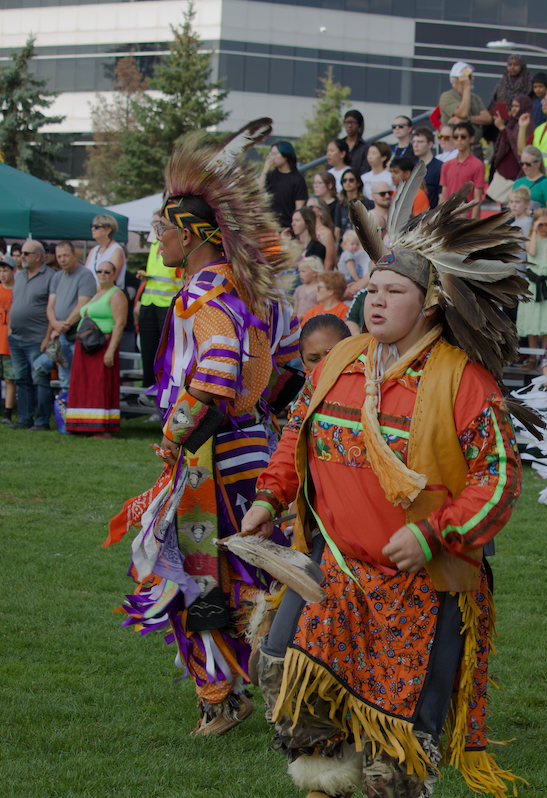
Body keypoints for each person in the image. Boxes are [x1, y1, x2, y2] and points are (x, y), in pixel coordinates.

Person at [244, 180, 527, 798]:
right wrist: (269, 497)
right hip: (334, 571)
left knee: (392, 759)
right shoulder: (340, 360)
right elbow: (297, 434)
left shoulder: (463, 381)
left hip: (419, 589)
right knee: (293, 691)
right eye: (371, 289)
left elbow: (500, 481)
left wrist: (431, 534)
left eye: (393, 292)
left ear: (429, 304)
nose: (375, 301)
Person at [106, 121, 301, 736]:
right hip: (245, 450)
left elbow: (214, 377)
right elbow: (283, 373)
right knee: (244, 572)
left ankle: (238, 695)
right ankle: (249, 690)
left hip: (211, 457)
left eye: (163, 229)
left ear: (191, 235)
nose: (156, 239)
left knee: (200, 573)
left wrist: (174, 435)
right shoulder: (255, 298)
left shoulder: (203, 298)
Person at [64, 258, 127, 437]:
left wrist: (110, 350)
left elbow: (120, 323)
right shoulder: (97, 292)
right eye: (99, 271)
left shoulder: (116, 294)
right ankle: (81, 425)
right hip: (86, 347)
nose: (102, 275)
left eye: (107, 272)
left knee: (99, 385)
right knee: (84, 385)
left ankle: (100, 427)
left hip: (102, 345)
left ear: (114, 274)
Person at [34, 241, 96, 393]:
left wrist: (64, 326)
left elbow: (82, 305)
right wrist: (55, 324)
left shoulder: (85, 275)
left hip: (78, 334)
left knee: (80, 376)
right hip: (60, 335)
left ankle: (79, 412)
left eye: (66, 256)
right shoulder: (57, 276)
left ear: (75, 255)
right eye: (59, 256)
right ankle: (66, 412)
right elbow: (50, 306)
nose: (62, 259)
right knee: (64, 377)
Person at [7, 240, 53, 429]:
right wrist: (10, 329)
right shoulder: (19, 276)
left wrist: (47, 337)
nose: (22, 256)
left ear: (38, 256)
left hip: (37, 338)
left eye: (26, 253)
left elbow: (53, 309)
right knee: (21, 379)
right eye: (21, 253)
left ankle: (41, 420)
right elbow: (15, 303)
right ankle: (25, 418)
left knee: (40, 380)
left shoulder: (51, 276)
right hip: (16, 337)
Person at [133, 235, 180, 399]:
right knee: (148, 350)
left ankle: (166, 392)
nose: (156, 227)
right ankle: (150, 390)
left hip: (168, 302)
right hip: (149, 301)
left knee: (166, 351)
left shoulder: (175, 241)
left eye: (159, 224)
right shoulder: (154, 245)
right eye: (155, 224)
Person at [519, 208, 547, 352]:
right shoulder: (530, 237)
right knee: (532, 320)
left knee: (546, 322)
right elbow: (532, 251)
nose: (543, 227)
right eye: (540, 224)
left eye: (546, 224)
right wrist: (534, 231)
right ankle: (532, 357)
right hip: (532, 284)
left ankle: (544, 356)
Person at [438, 62, 490, 159]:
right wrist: (466, 88)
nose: (473, 79)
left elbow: (487, 118)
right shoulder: (447, 96)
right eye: (469, 76)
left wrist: (468, 119)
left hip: (475, 150)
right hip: (455, 151)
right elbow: (463, 112)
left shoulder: (474, 98)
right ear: (459, 79)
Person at [440, 123, 487, 219]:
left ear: (472, 138)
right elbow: (443, 196)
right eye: (456, 137)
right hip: (447, 218)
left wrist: (472, 224)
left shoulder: (477, 165)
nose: (459, 140)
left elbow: (477, 198)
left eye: (463, 137)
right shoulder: (446, 165)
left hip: (466, 219)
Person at [260, 141, 307, 229]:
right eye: (271, 154)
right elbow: (259, 191)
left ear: (285, 155)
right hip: (272, 225)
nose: (272, 157)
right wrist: (265, 170)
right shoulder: (271, 175)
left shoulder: (297, 179)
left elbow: (299, 208)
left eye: (275, 154)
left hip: (288, 226)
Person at [492, 94, 534, 192]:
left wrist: (502, 128)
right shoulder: (512, 122)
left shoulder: (526, 124)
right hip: (505, 174)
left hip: (515, 172)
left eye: (517, 106)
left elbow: (518, 147)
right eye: (512, 106)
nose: (513, 109)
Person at [84, 213, 127, 290]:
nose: (92, 229)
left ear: (108, 230)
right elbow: (84, 275)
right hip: (91, 294)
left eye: (96, 227)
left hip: (107, 296)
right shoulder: (94, 250)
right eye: (92, 226)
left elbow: (110, 280)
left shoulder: (116, 250)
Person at [513, 146, 547, 216]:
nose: (524, 167)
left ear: (538, 162)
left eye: (528, 164)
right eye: (522, 164)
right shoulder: (518, 182)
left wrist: (530, 212)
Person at [411, 126, 442, 206]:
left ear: (430, 144)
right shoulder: (411, 167)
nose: (415, 145)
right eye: (413, 142)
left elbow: (442, 197)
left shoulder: (440, 167)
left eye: (420, 142)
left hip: (431, 214)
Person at [0, 259, 13, 425]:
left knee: (10, 379)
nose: (2, 274)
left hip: (9, 344)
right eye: (0, 271)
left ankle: (8, 413)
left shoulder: (17, 291)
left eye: (5, 270)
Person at [341, 109, 369, 176]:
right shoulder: (339, 144)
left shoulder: (365, 147)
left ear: (359, 125)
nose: (349, 126)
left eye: (353, 123)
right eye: (346, 122)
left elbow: (365, 170)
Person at [292, 255, 321, 320]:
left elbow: (321, 308)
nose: (300, 274)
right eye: (299, 271)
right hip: (299, 325)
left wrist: (304, 316)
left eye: (303, 271)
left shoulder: (320, 288)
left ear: (314, 273)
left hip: (313, 323)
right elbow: (295, 309)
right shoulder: (299, 289)